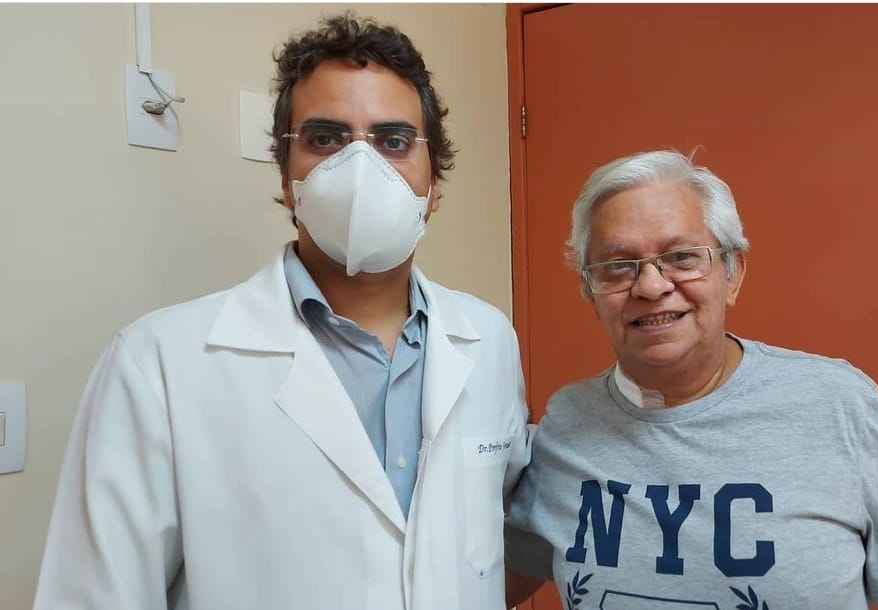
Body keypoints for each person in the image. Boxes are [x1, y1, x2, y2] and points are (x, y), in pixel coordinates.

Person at [34, 14, 529, 610]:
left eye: (393, 142)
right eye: (326, 139)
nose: (361, 167)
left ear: (434, 187)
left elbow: (497, 541)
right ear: (288, 180)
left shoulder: (489, 340)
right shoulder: (156, 365)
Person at [504, 150, 878, 610]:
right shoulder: (567, 427)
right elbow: (490, 581)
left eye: (682, 257)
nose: (651, 286)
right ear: (591, 291)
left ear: (732, 273)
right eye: (618, 265)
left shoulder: (840, 405)